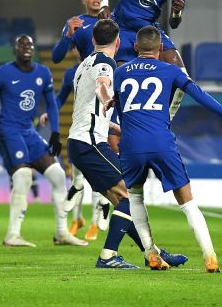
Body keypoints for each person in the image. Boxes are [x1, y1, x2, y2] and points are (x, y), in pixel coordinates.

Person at [110, 26, 222, 272]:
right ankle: (210, 257)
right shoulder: (170, 70)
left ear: (135, 47)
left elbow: (111, 103)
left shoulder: (120, 72)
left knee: (135, 197)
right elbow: (199, 95)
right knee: (187, 202)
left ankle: (151, 254)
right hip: (161, 142)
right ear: (159, 49)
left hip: (132, 144)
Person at [66, 19, 188, 268]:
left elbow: (88, 110)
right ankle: (108, 255)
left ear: (92, 40)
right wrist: (110, 100)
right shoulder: (105, 64)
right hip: (91, 144)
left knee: (123, 202)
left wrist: (116, 126)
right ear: (119, 41)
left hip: (80, 142)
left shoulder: (82, 65)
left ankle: (152, 252)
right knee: (129, 197)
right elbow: (102, 88)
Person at [0, 34, 86, 247]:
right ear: (15, 50)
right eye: (21, 44)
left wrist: (55, 132)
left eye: (30, 44)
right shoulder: (3, 72)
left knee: (57, 175)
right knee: (24, 176)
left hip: (28, 131)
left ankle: (61, 233)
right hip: (8, 131)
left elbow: (52, 104)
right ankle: (12, 235)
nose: (26, 47)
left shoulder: (43, 72)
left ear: (34, 50)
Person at [99, 0, 190, 119]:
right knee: (121, 81)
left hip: (149, 31)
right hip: (122, 28)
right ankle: (118, 126)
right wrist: (103, 5)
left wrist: (177, 13)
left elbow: (174, 24)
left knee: (182, 78)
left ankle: (165, 122)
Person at [50, 0, 107, 240]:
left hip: (109, 81)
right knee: (84, 150)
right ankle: (84, 215)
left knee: (104, 149)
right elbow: (56, 56)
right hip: (88, 86)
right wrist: (67, 36)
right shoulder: (76, 22)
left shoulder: (114, 19)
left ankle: (97, 216)